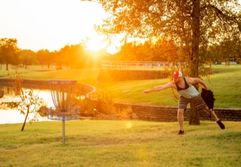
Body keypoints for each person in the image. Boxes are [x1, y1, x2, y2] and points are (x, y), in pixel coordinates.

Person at [144, 70, 225, 135]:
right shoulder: (173, 83)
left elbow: (199, 80)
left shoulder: (187, 80)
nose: (174, 79)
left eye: (176, 77)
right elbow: (160, 87)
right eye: (174, 77)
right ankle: (181, 130)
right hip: (184, 97)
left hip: (195, 96)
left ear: (180, 77)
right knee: (180, 111)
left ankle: (217, 120)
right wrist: (149, 90)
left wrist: (206, 89)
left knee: (207, 109)